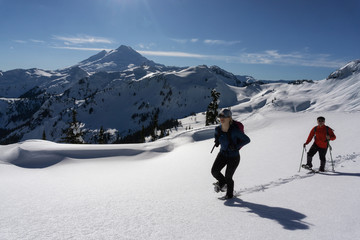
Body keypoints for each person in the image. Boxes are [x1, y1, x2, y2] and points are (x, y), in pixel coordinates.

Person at [211, 109, 250, 199]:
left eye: (223, 117)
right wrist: (217, 141)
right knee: (214, 171)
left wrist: (236, 146)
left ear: (229, 118)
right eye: (220, 117)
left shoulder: (234, 131)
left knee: (228, 177)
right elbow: (217, 136)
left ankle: (229, 195)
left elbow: (247, 140)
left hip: (234, 157)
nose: (221, 118)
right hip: (222, 154)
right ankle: (223, 183)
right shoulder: (218, 129)